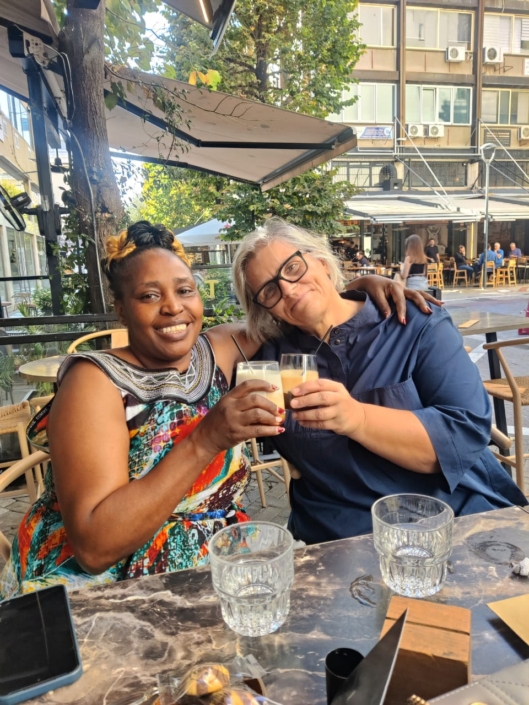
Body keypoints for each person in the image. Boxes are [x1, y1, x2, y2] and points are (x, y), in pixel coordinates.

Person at [0, 221, 437, 598]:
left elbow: (302, 304)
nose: (173, 307)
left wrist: (360, 288)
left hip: (219, 574)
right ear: (121, 310)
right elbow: (94, 549)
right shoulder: (94, 381)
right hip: (103, 592)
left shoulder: (221, 349)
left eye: (184, 290)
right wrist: (206, 439)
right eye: (149, 295)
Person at [232, 218, 527, 545]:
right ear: (266, 309)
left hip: (448, 523)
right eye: (269, 290)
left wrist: (357, 418)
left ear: (321, 261)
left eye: (293, 267)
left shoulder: (410, 321)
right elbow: (205, 343)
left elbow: (465, 433)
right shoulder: (269, 359)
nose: (287, 288)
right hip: (336, 542)